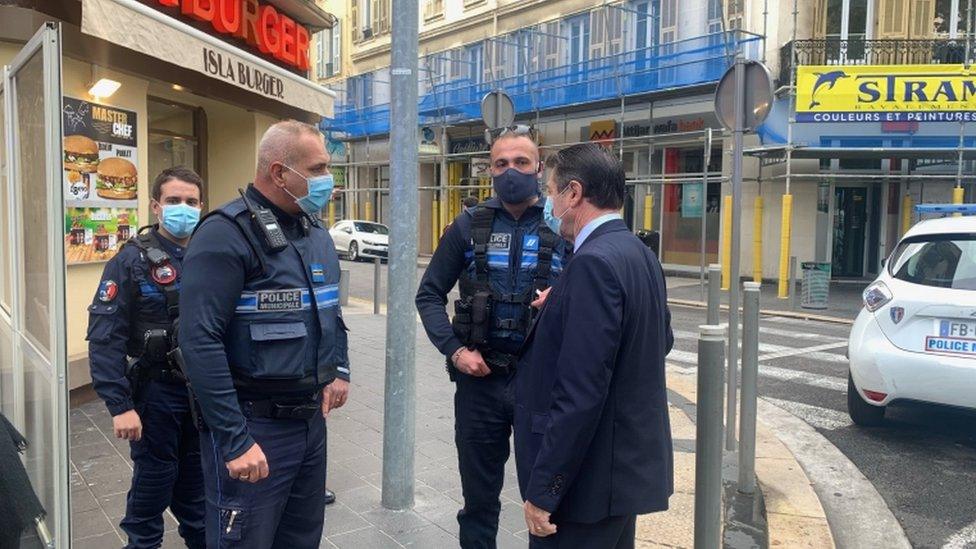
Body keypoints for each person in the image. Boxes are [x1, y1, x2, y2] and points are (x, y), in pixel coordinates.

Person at [178, 120, 350, 548]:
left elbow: (331, 310)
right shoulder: (225, 233)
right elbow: (199, 342)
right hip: (254, 426)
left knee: (300, 539)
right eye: (318, 168)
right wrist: (235, 441)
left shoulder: (313, 232)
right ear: (278, 173)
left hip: (310, 425)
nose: (327, 179)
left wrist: (340, 369)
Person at [514, 143, 674, 549]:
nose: (548, 202)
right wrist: (567, 304)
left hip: (585, 490)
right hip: (618, 483)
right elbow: (660, 340)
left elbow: (579, 393)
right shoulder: (638, 253)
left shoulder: (592, 264)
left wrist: (544, 492)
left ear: (573, 193)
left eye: (551, 191)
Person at [416, 126, 569, 548]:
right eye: (501, 163)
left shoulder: (563, 226)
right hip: (480, 383)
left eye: (521, 162)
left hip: (542, 386)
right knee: (478, 502)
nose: (511, 171)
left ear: (539, 167)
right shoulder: (468, 225)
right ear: (489, 169)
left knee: (547, 502)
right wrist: (454, 350)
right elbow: (428, 294)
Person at [86, 166, 206, 549]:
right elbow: (105, 337)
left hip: (203, 395)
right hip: (156, 395)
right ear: (156, 206)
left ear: (202, 206)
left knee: (198, 490)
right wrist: (120, 405)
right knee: (154, 484)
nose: (182, 208)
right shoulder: (131, 260)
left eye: (191, 201)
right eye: (173, 201)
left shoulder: (211, 254)